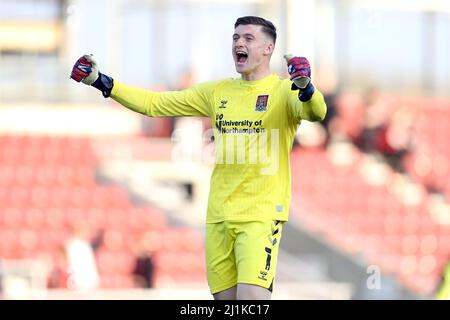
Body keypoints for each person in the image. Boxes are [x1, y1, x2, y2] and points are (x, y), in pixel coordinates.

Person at [70, 16, 327, 300]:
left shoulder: (285, 91)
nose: (239, 43)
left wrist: (306, 87)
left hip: (260, 216)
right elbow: (155, 104)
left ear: (268, 48)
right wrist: (101, 82)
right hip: (218, 216)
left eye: (248, 39)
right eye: (235, 38)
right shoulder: (217, 91)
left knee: (251, 302)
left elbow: (316, 112)